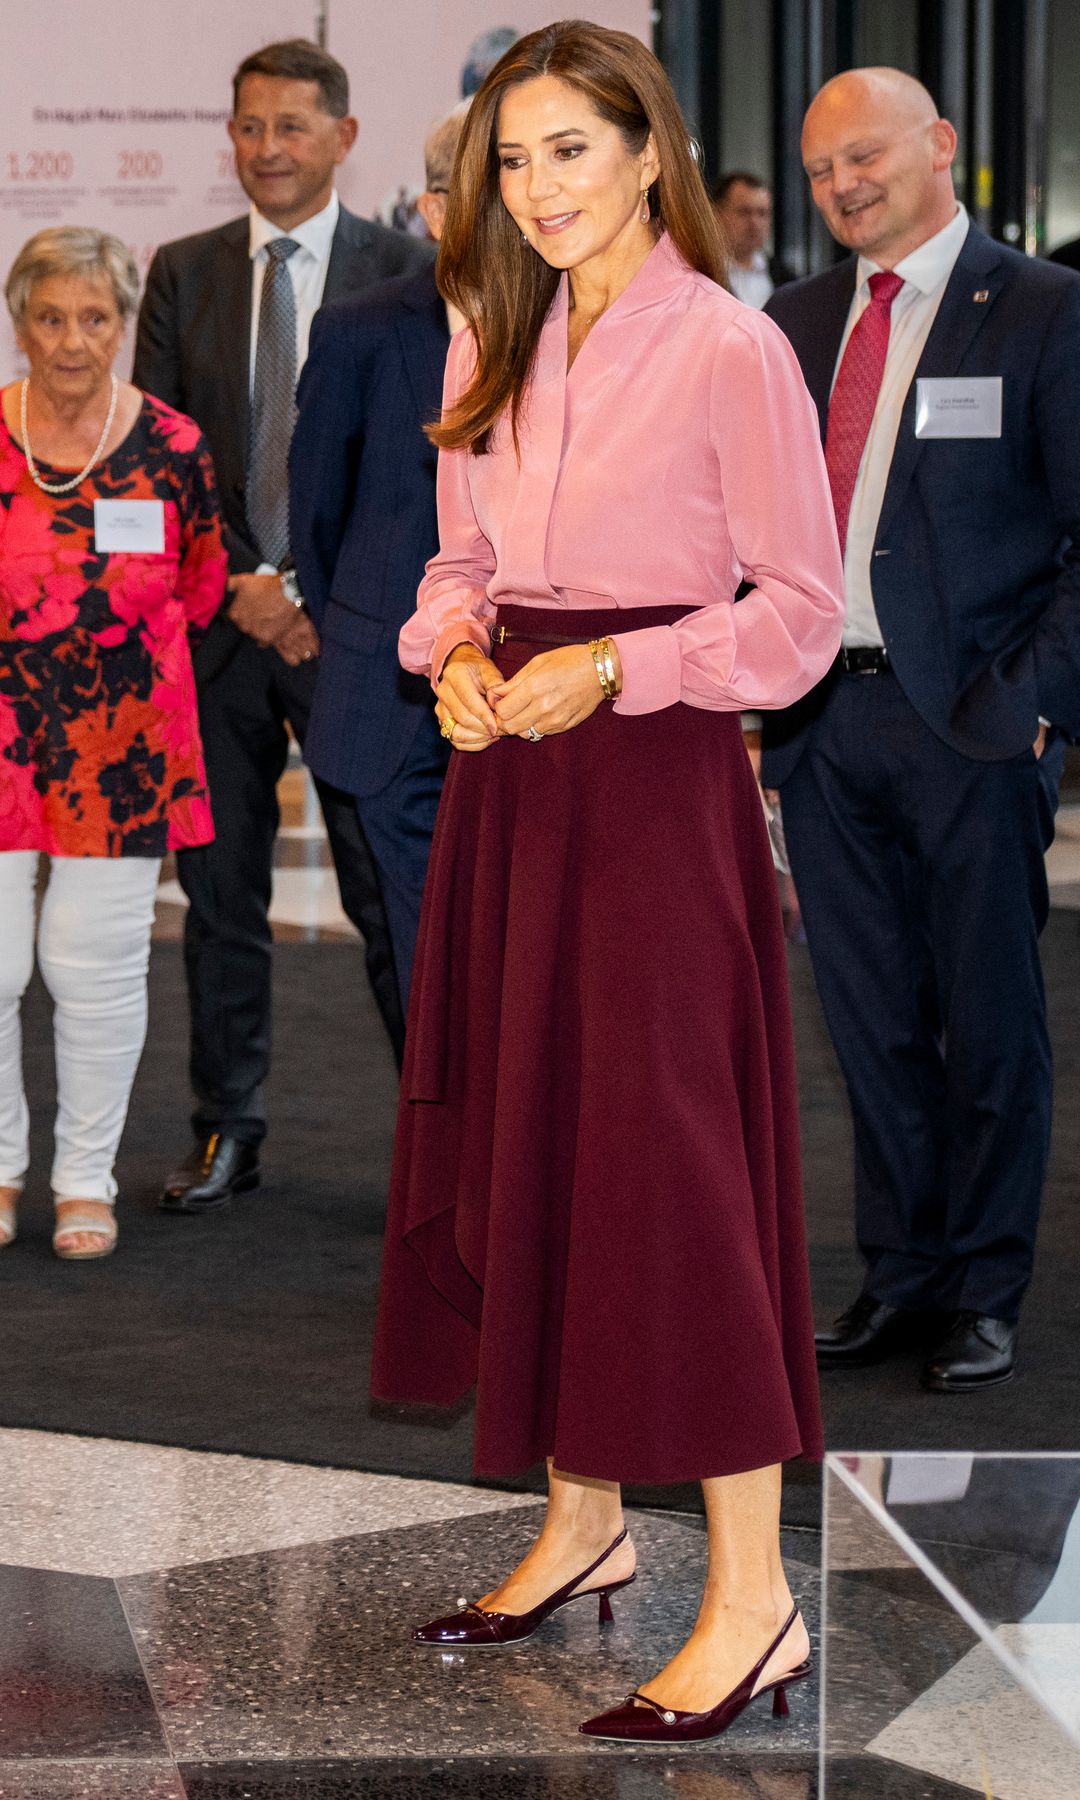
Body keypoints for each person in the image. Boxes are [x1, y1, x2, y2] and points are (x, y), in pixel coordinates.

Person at [371, 21, 844, 1746]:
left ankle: (754, 1596)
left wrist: (616, 672)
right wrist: (449, 652)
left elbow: (798, 618)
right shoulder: (492, 328)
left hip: (649, 794)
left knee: (670, 1176)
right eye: (513, 159)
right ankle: (580, 1523)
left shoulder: (731, 350)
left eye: (571, 149)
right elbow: (462, 556)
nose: (539, 188)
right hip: (515, 786)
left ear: (649, 153)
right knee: (530, 1138)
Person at [761, 68, 1080, 1393]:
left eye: (865, 156)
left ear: (940, 143)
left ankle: (986, 1284)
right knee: (871, 1017)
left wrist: (1034, 701)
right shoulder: (793, 319)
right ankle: (899, 1273)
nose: (842, 184)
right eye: (822, 167)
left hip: (970, 726)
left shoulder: (1047, 312)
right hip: (823, 725)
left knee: (988, 1017)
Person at [133, 39, 433, 1213]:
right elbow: (161, 465)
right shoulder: (183, 271)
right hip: (216, 636)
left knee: (387, 893)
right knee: (218, 900)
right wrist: (248, 588)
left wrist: (306, 590)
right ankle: (226, 1128)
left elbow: (412, 470)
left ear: (344, 137)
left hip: (356, 639)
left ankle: (438, 1130)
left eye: (291, 127)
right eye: (249, 127)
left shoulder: (405, 270)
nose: (266, 149)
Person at [0, 228, 225, 1260]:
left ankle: (82, 1177)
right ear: (20, 323)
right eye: (51, 317)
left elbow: (201, 587)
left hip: (121, 745)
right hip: (0, 738)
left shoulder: (175, 446)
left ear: (125, 322)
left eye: (96, 318)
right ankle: (1, 1170)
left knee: (88, 964)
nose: (73, 341)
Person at [288, 109, 470, 1012]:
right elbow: (316, 516)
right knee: (418, 965)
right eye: (501, 170)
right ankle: (436, 1153)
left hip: (541, 700)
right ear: (436, 209)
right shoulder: (359, 330)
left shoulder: (585, 327)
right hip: (392, 705)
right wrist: (363, 631)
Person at [713, 170, 796, 308]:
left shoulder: (787, 279)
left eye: (762, 213)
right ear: (717, 215)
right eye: (744, 212)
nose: (755, 223)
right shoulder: (702, 275)